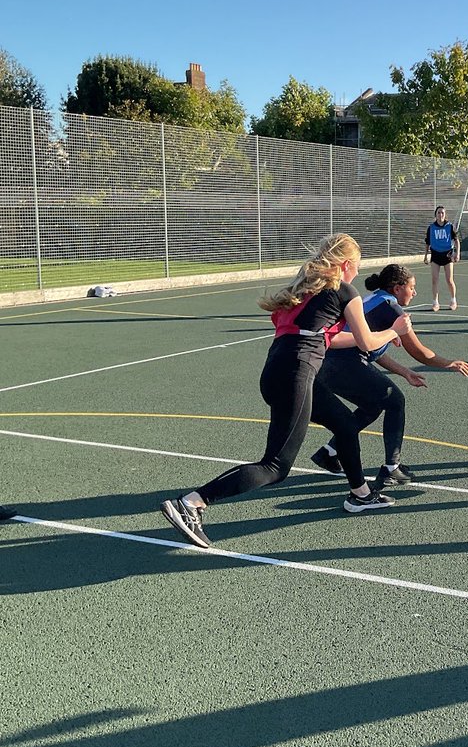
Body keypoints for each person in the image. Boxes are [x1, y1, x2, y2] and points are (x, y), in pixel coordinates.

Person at [159, 233, 412, 548]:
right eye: (356, 267)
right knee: (275, 467)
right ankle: (192, 503)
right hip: (296, 374)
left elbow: (328, 338)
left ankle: (360, 495)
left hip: (279, 368)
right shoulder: (344, 291)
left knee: (345, 425)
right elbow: (366, 343)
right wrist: (392, 330)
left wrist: (380, 335)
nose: (357, 274)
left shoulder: (308, 289)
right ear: (346, 264)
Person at [310, 263, 468, 488]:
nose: (415, 293)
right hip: (340, 363)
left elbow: (368, 350)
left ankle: (329, 453)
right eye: (412, 287)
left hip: (328, 362)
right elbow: (419, 352)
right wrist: (448, 363)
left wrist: (405, 372)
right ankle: (391, 469)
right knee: (395, 401)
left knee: (374, 405)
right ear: (397, 288)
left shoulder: (374, 300)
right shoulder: (391, 309)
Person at [425, 206, 460, 311]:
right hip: (435, 255)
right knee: (434, 280)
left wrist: (457, 254)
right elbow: (427, 243)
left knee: (449, 280)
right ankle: (435, 303)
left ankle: (453, 300)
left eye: (442, 213)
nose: (440, 215)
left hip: (447, 255)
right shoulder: (431, 228)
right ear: (435, 215)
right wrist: (426, 255)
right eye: (439, 213)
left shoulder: (450, 227)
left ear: (445, 215)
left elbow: (456, 240)